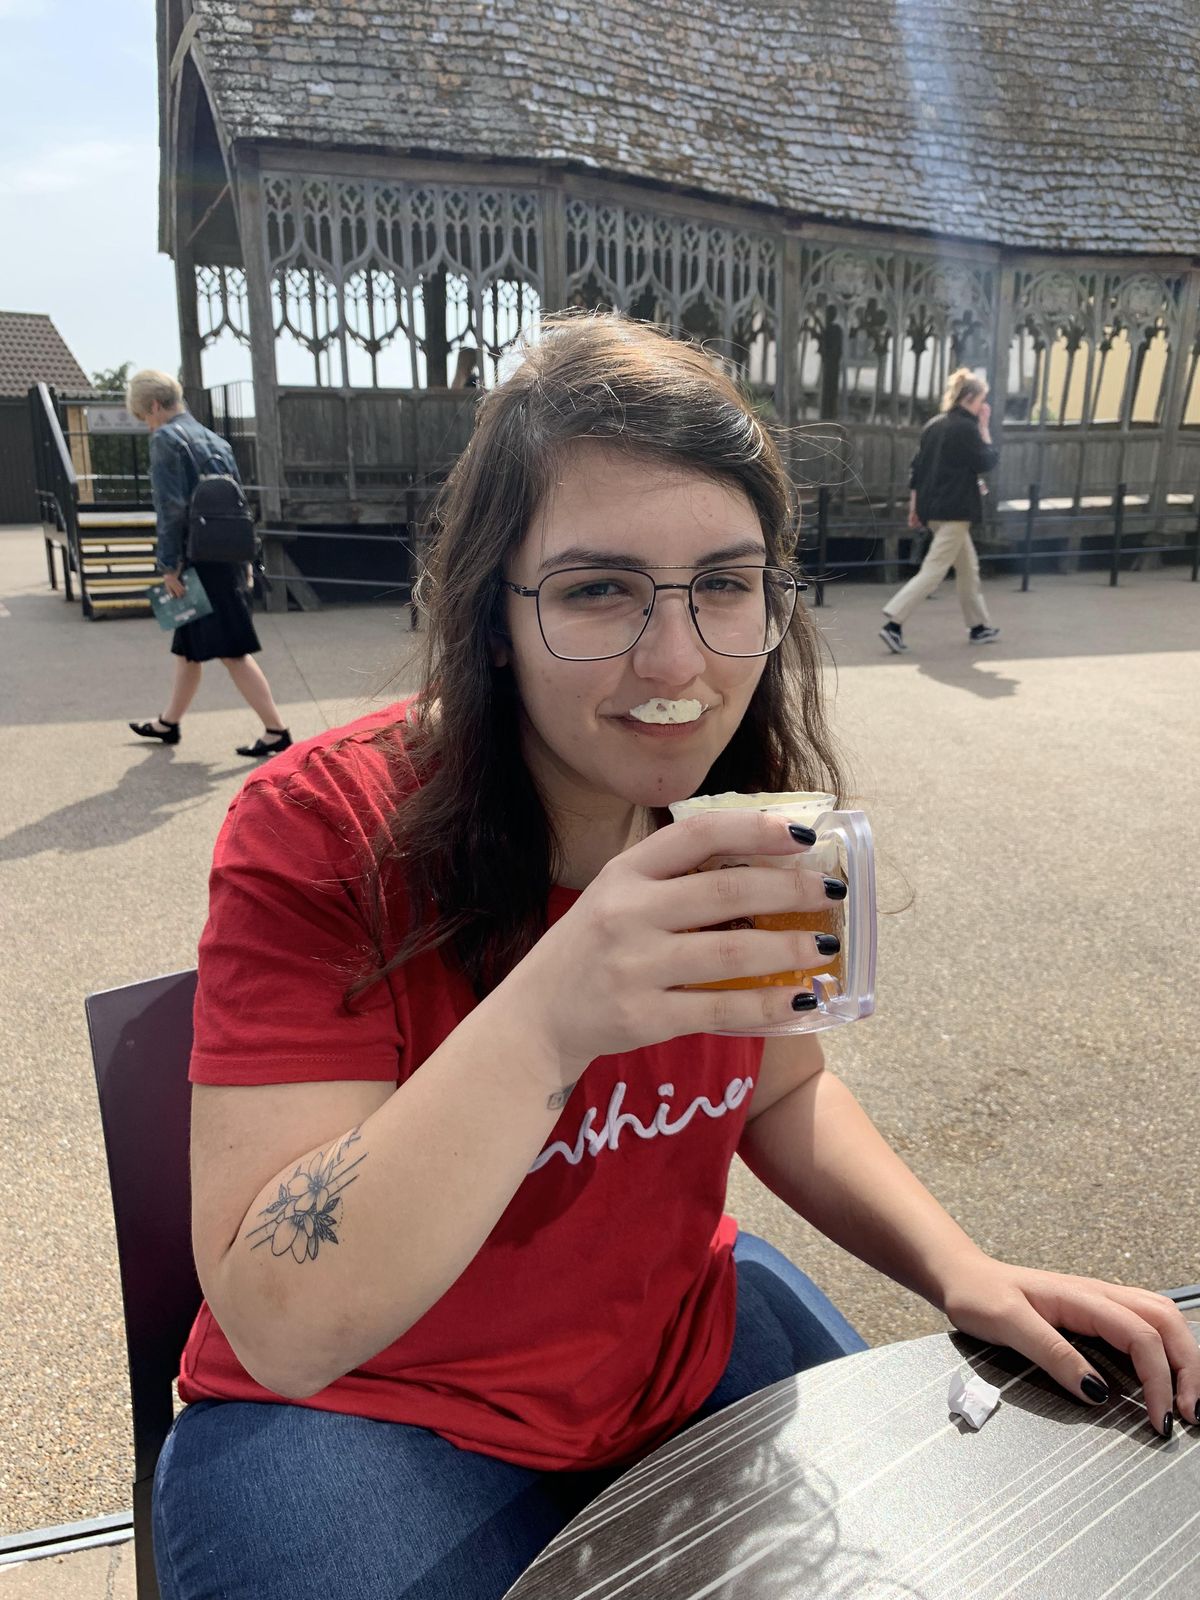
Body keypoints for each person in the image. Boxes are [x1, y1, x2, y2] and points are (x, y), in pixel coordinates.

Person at [152, 318, 1198, 1600]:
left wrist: (961, 1267)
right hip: (366, 1411)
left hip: (671, 1351)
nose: (678, 662)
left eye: (725, 583)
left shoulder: (740, 815)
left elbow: (783, 1091)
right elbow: (281, 1322)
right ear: (492, 617)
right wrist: (550, 1015)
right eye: (597, 589)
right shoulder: (322, 829)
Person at [125, 369, 292, 758]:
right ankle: (168, 722)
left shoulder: (166, 440)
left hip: (195, 561)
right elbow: (238, 503)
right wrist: (245, 557)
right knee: (187, 649)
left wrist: (168, 566)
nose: (147, 425)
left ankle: (276, 730)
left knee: (232, 651)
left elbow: (170, 509)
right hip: (224, 555)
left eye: (144, 416)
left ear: (154, 406)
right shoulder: (215, 440)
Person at [880, 368, 1001, 653]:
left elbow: (917, 471)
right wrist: (985, 428)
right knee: (934, 570)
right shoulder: (966, 428)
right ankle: (894, 623)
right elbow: (986, 461)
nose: (983, 406)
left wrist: (914, 507)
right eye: (981, 400)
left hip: (933, 510)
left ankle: (979, 626)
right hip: (956, 512)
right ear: (970, 398)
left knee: (968, 569)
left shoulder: (934, 425)